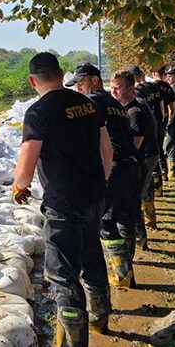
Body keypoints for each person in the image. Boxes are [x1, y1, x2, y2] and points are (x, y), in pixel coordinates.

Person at [13, 53, 113, 346]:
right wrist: (103, 180)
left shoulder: (38, 112)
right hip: (94, 195)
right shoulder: (87, 103)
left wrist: (20, 187)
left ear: (33, 81)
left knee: (62, 274)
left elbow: (26, 165)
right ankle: (101, 317)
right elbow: (106, 147)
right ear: (59, 74)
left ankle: (74, 340)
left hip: (64, 203)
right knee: (92, 254)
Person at [66, 63, 142, 292]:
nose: (79, 89)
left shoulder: (93, 102)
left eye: (81, 83)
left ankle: (122, 272)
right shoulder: (114, 104)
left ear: (95, 80)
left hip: (116, 168)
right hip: (132, 167)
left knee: (105, 222)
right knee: (125, 218)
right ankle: (129, 271)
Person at [123, 66, 160, 239]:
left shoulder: (134, 109)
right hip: (151, 152)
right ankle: (150, 222)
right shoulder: (141, 102)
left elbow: (136, 141)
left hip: (145, 155)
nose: (113, 92)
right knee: (144, 189)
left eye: (117, 88)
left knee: (135, 196)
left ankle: (140, 236)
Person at [150, 66, 175, 180]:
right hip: (163, 119)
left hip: (153, 119)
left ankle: (158, 174)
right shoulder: (168, 87)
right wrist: (170, 118)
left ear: (153, 73)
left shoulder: (150, 87)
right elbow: (172, 106)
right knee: (160, 146)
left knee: (154, 148)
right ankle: (165, 171)